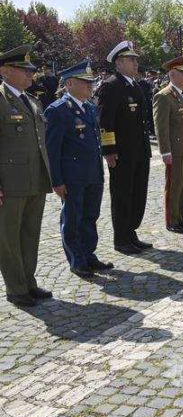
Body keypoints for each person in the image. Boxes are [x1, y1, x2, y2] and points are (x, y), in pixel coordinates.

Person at [46, 59, 112, 278]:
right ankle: (76, 259)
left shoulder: (90, 108)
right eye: (85, 82)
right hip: (72, 176)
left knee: (90, 216)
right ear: (70, 83)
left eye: (91, 82)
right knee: (72, 218)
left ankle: (88, 254)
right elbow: (52, 150)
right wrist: (56, 180)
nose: (90, 86)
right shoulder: (57, 111)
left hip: (93, 173)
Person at [0, 45, 54, 306]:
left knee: (30, 233)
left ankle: (28, 281)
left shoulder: (31, 101)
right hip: (9, 184)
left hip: (35, 179)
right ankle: (16, 288)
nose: (30, 74)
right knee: (8, 237)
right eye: (24, 70)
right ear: (5, 71)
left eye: (30, 70)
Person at [97, 40, 153, 255]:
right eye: (131, 60)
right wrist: (109, 151)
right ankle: (121, 238)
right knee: (122, 195)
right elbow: (106, 122)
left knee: (137, 194)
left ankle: (131, 233)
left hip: (139, 151)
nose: (136, 63)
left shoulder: (135, 85)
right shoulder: (111, 86)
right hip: (122, 153)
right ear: (119, 62)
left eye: (136, 60)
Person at [153, 55, 183, 233]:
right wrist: (165, 152)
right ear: (172, 75)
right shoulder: (163, 96)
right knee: (174, 185)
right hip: (175, 149)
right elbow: (161, 127)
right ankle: (172, 220)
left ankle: (181, 216)